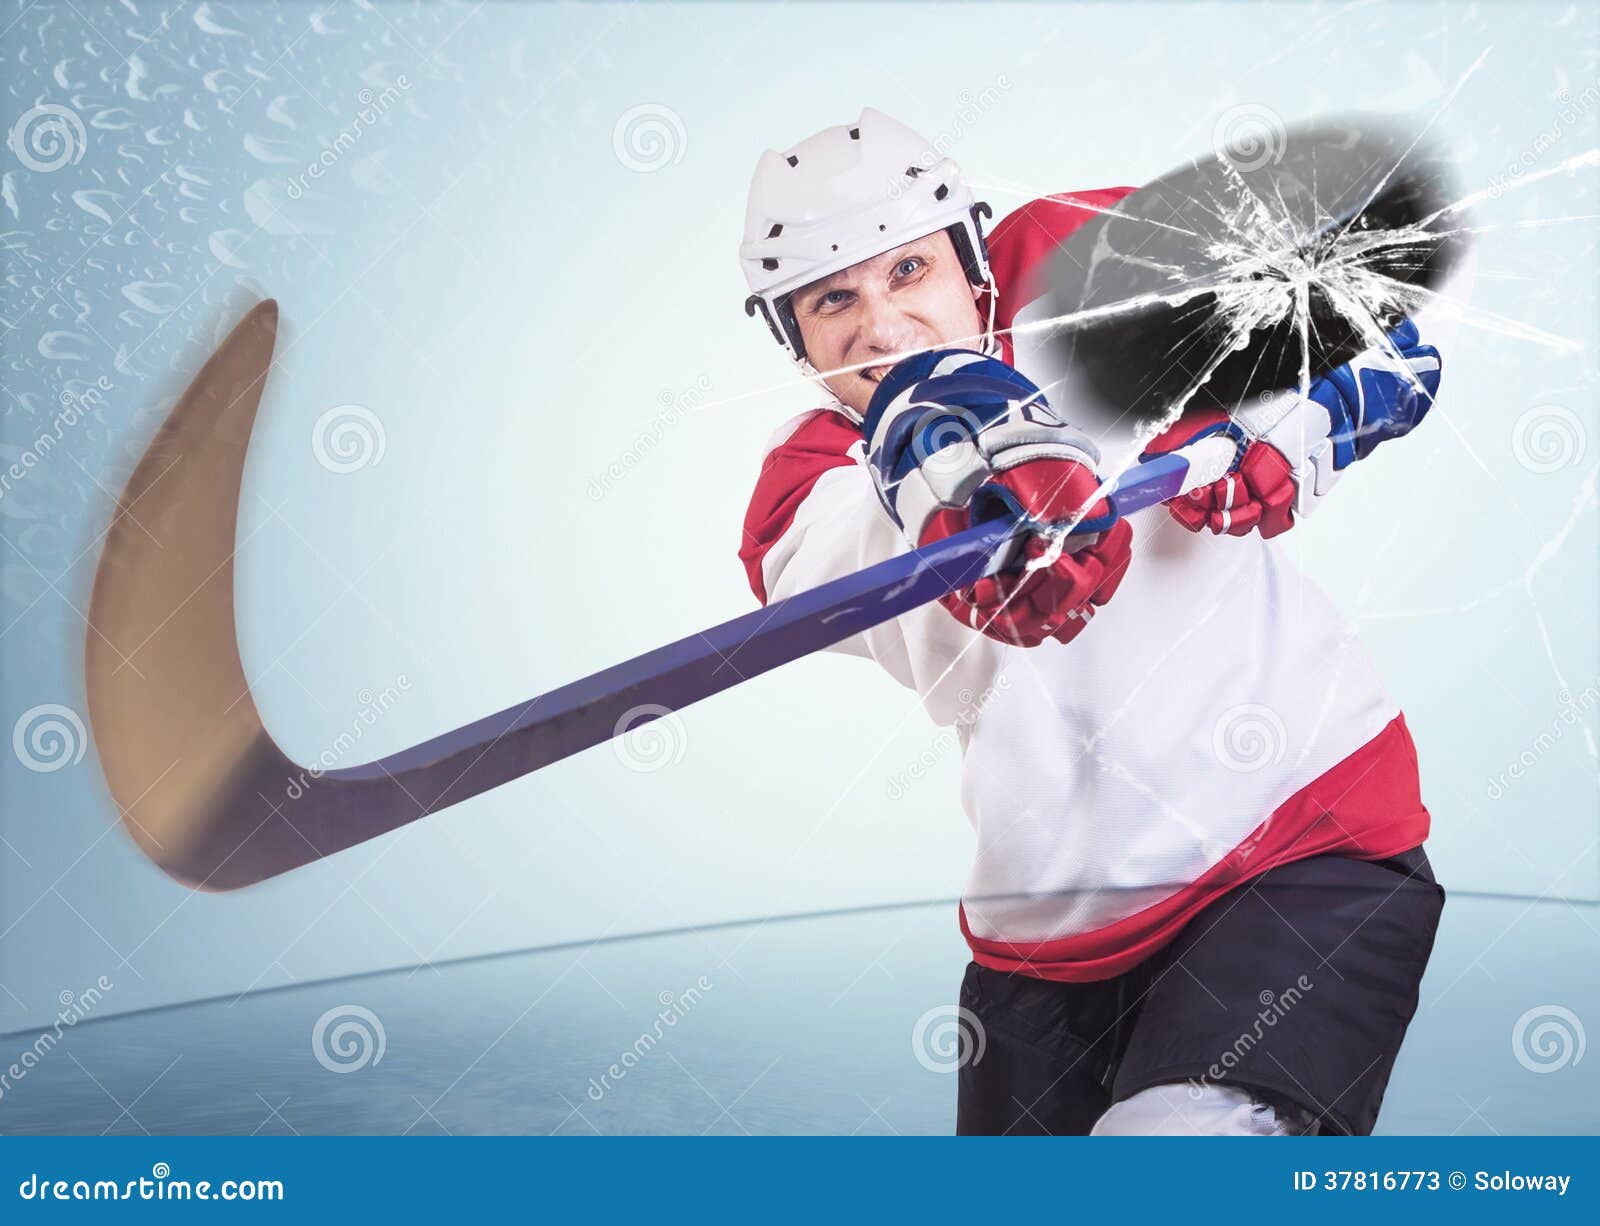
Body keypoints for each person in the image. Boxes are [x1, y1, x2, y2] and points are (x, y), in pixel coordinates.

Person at [736, 108, 1448, 1135]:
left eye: (906, 273)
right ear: (790, 335)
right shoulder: (802, 490)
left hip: (1299, 845)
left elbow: (1364, 311)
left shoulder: (1079, 264)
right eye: (831, 298)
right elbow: (881, 535)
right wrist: (970, 482)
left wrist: (1300, 400)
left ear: (970, 259)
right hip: (1037, 951)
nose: (879, 323)